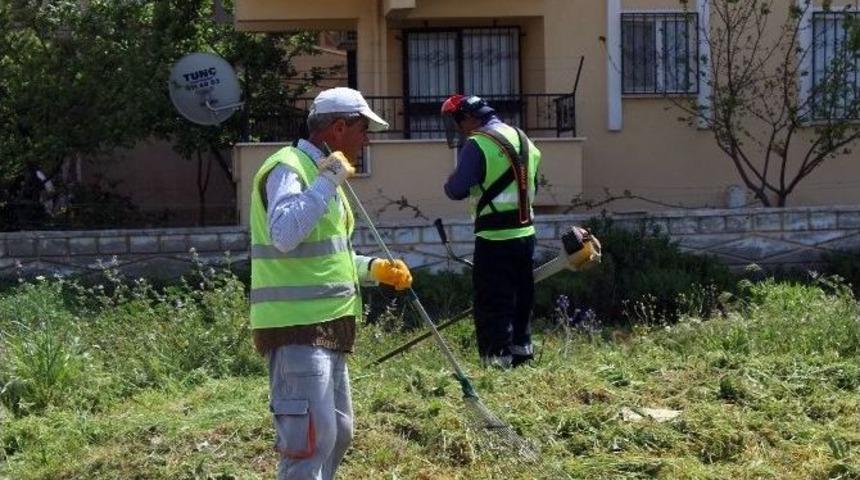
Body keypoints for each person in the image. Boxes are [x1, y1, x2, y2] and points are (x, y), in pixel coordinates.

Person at [249, 87, 413, 480]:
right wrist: (325, 183)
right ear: (338, 128)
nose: (367, 138)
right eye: (363, 129)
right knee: (310, 442)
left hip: (330, 327)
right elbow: (285, 234)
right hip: (296, 330)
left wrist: (374, 268)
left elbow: (329, 257)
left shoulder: (326, 179)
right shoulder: (289, 168)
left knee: (338, 433)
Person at [440, 94, 541, 369]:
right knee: (522, 297)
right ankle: (523, 355)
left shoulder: (477, 144)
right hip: (525, 235)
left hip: (494, 238)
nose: (458, 128)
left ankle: (496, 363)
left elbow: (457, 189)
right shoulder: (523, 139)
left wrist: (449, 183)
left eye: (458, 122)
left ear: (470, 118)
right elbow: (533, 185)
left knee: (492, 302)